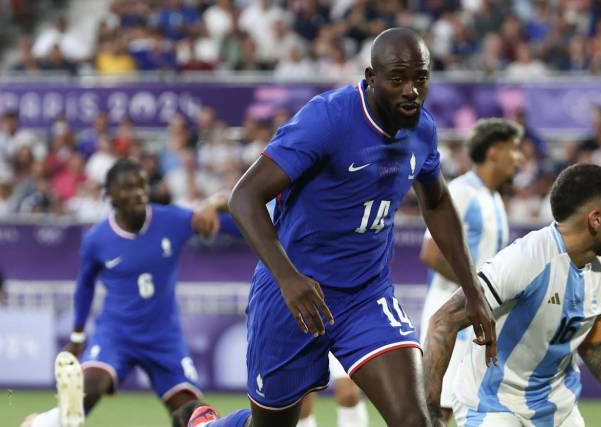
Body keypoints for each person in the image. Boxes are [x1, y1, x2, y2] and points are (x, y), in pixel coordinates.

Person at [184, 27, 496, 427]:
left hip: (366, 295)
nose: (411, 91)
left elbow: (436, 202)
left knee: (414, 421)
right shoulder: (327, 118)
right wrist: (288, 278)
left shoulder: (422, 130)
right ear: (371, 78)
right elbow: (244, 197)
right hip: (295, 294)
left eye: (420, 78)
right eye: (398, 79)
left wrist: (472, 290)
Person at [423, 164, 601, 427]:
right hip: (492, 405)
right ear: (595, 219)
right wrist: (430, 414)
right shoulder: (527, 259)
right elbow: (443, 321)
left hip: (558, 410)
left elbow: (595, 345)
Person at [21, 159, 235, 427]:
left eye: (141, 186)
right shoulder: (97, 239)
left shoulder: (171, 219)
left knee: (191, 413)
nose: (136, 193)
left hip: (164, 337)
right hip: (116, 332)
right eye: (127, 187)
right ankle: (45, 422)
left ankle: (44, 422)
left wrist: (214, 205)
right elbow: (85, 285)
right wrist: (77, 334)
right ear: (110, 194)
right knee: (88, 389)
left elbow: (236, 211)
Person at [418, 117, 522, 422]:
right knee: (440, 410)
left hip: (474, 315)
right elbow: (431, 253)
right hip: (452, 314)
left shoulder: (493, 198)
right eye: (514, 149)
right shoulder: (462, 191)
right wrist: (481, 292)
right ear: (494, 151)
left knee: (463, 408)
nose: (520, 158)